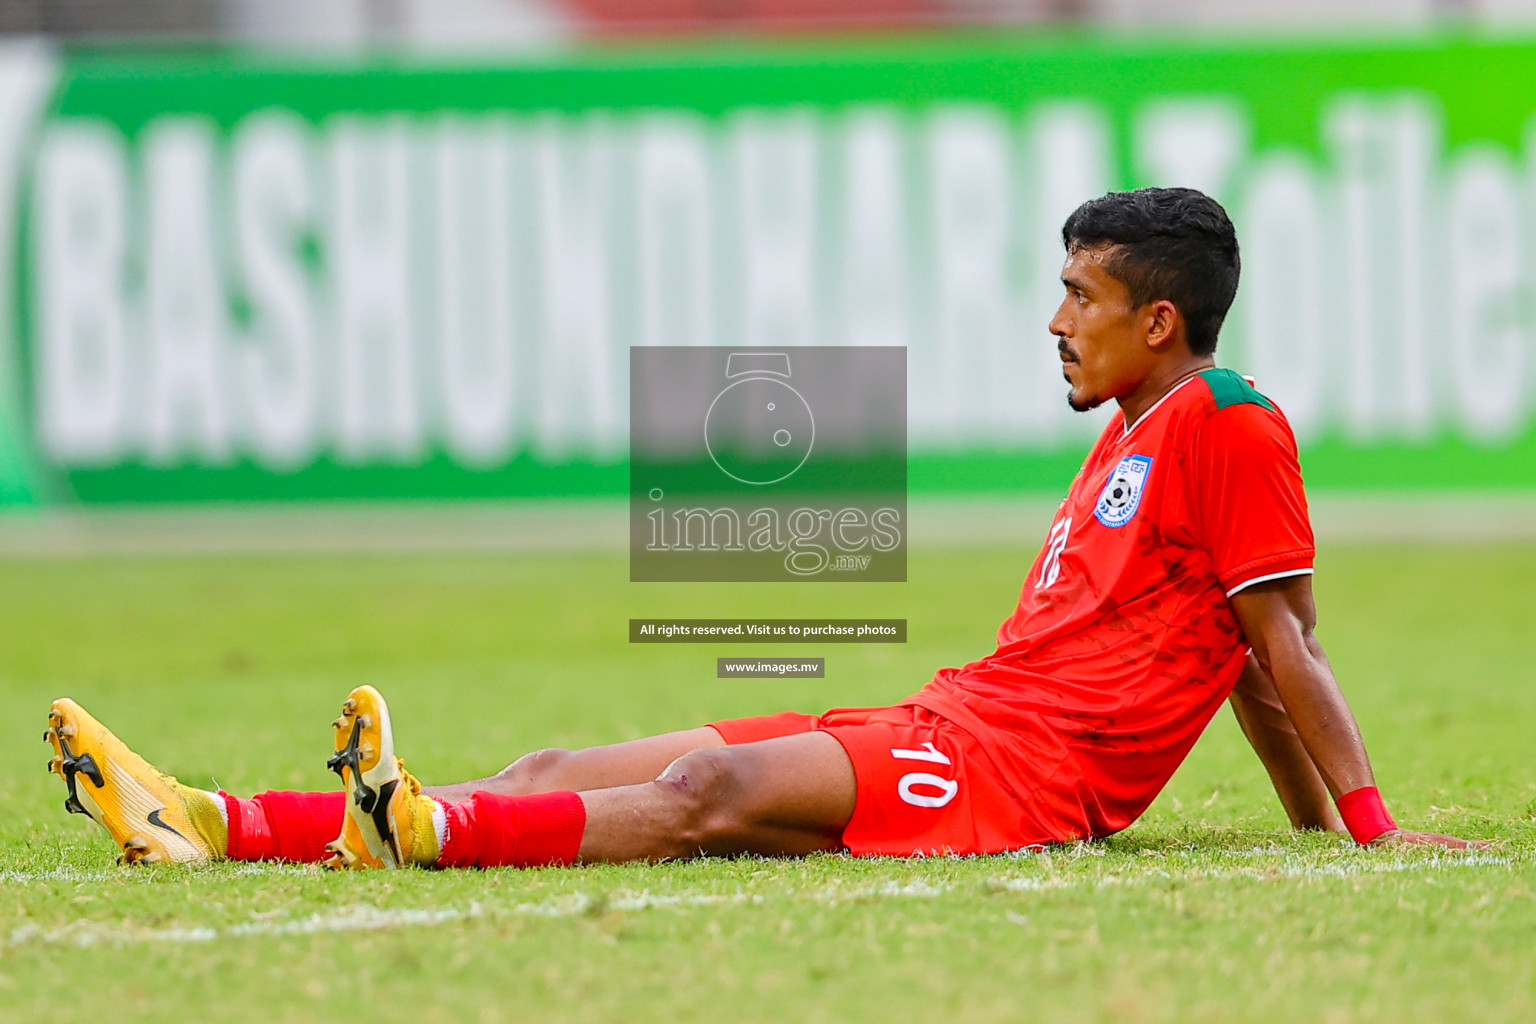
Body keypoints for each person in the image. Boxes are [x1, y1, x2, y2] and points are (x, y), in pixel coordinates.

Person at [42, 187, 1485, 871]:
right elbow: (1235, 661)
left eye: (1081, 296)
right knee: (554, 763)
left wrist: (1364, 830)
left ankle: (430, 830)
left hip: (1017, 780)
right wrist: (1314, 834)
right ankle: (211, 819)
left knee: (702, 789)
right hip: (964, 720)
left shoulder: (1230, 419)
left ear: (1154, 318)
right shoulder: (1138, 437)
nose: (1056, 321)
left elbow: (1277, 644)